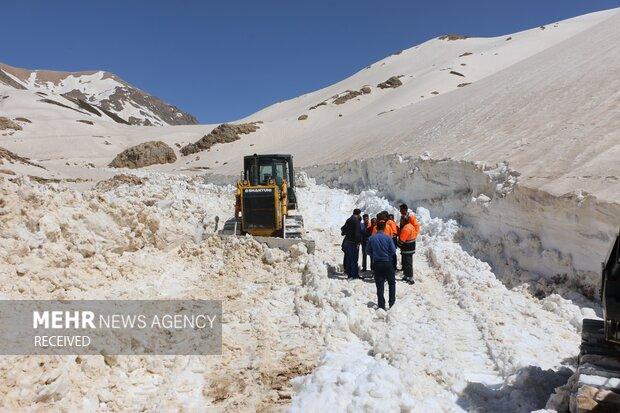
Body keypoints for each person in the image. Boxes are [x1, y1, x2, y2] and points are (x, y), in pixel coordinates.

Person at [366, 220, 397, 309]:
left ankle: (381, 305)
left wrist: (375, 255)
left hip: (377, 263)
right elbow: (393, 250)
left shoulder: (371, 238)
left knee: (379, 284)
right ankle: (392, 303)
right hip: (387, 262)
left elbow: (368, 251)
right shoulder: (388, 238)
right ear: (384, 228)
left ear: (376, 228)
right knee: (391, 283)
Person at [398, 204, 420, 283]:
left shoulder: (410, 217)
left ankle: (409, 276)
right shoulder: (402, 217)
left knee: (408, 260)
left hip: (408, 240)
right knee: (404, 258)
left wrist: (413, 235)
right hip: (404, 239)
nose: (400, 211)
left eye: (401, 209)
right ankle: (406, 274)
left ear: (405, 209)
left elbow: (416, 226)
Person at [341, 208, 362, 279]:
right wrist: (358, 242)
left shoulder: (349, 219)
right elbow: (357, 233)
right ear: (359, 214)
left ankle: (349, 274)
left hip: (347, 241)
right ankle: (355, 275)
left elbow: (343, 229)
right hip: (353, 242)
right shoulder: (356, 221)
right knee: (354, 259)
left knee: (349, 258)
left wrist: (345, 233)